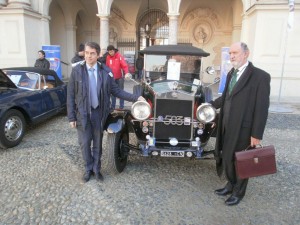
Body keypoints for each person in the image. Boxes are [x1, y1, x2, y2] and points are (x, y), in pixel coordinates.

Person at [67, 42, 145, 183]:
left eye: (92, 53)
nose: (88, 56)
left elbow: (116, 90)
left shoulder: (105, 71)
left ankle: (97, 170)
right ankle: (88, 169)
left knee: (97, 143)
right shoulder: (77, 71)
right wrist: (71, 116)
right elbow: (71, 95)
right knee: (84, 143)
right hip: (83, 114)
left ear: (97, 55)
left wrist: (135, 97)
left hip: (99, 113)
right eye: (86, 53)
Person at [210, 42, 270, 206]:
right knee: (227, 157)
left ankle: (239, 192)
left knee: (242, 160)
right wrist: (210, 104)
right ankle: (230, 184)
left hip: (244, 129)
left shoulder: (260, 77)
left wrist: (256, 134)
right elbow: (226, 97)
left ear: (246, 54)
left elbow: (262, 108)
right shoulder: (231, 73)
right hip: (226, 125)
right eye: (230, 53)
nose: (232, 56)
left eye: (235, 53)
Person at [106, 45, 130, 110]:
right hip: (112, 78)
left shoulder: (119, 56)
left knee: (120, 92)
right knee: (113, 92)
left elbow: (124, 65)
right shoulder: (108, 57)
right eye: (109, 52)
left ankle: (121, 107)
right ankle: (113, 106)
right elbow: (106, 67)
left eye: (112, 51)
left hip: (119, 78)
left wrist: (127, 72)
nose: (111, 53)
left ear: (114, 50)